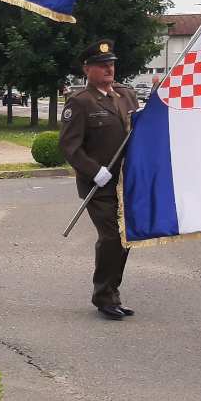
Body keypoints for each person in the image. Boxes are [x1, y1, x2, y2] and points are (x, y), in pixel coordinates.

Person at [59, 40, 139, 319]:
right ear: (87, 69)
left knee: (126, 239)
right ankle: (104, 295)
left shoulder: (126, 95)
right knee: (110, 238)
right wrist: (94, 171)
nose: (109, 68)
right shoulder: (80, 102)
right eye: (102, 65)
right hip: (98, 185)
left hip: (126, 182)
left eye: (111, 64)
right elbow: (69, 146)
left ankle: (112, 291)